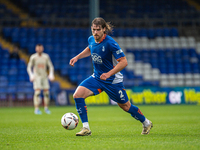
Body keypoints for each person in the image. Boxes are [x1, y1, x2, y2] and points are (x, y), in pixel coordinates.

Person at [69, 17, 153, 136]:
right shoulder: (91, 39)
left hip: (112, 81)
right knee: (77, 95)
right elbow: (90, 47)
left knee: (125, 106)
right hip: (97, 78)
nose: (95, 32)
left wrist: (108, 74)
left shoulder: (110, 43)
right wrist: (77, 57)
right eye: (93, 30)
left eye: (98, 30)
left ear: (104, 29)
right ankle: (86, 128)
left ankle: (146, 122)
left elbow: (124, 62)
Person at [27, 44, 55, 114]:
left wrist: (51, 74)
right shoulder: (33, 57)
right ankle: (36, 109)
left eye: (40, 48)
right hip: (37, 77)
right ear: (36, 49)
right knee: (37, 92)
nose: (39, 49)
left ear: (42, 49)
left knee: (46, 93)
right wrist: (31, 75)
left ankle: (46, 108)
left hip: (44, 77)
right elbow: (29, 67)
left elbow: (51, 66)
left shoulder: (46, 56)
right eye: (38, 48)